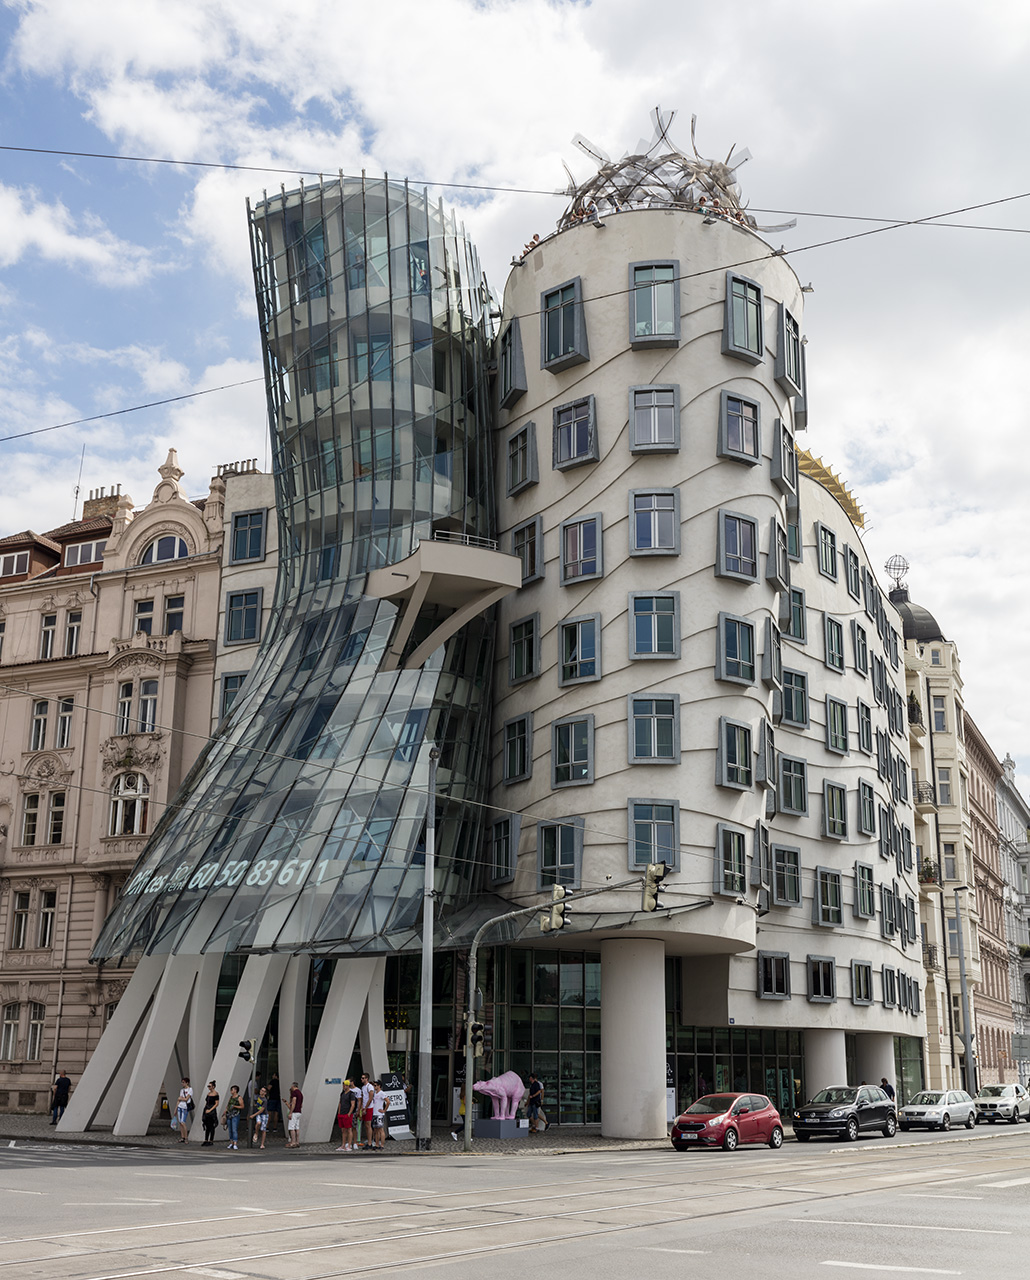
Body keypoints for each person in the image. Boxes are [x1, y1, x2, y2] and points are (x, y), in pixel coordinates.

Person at [336, 1078, 358, 1152]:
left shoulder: (351, 1094)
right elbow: (340, 1103)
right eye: (343, 1085)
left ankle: (349, 1145)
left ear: (348, 1086)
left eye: (345, 1085)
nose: (344, 1087)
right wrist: (339, 1112)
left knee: (349, 1129)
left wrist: (349, 1113)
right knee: (343, 1130)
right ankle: (343, 1145)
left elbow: (353, 1104)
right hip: (342, 1113)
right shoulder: (342, 1093)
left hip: (347, 1114)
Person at [223, 1084, 243, 1150]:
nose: (231, 1091)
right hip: (229, 1114)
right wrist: (225, 1111)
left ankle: (235, 1143)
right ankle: (231, 1142)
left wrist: (235, 1106)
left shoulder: (239, 1098)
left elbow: (242, 1106)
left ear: (235, 1090)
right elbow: (228, 1105)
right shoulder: (231, 1097)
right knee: (230, 1129)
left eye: (232, 1090)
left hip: (235, 1114)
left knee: (234, 1129)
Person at [371, 1079, 389, 1151]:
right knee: (376, 1129)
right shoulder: (375, 1094)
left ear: (379, 1086)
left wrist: (384, 1110)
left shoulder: (382, 1093)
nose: (374, 1087)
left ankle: (382, 1144)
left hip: (379, 1114)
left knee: (381, 1129)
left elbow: (388, 1101)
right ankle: (377, 1144)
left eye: (375, 1085)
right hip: (375, 1113)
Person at [201, 1081, 220, 1146]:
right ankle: (206, 1139)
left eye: (210, 1086)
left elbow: (216, 1103)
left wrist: (210, 1110)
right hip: (207, 1109)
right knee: (207, 1125)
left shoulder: (216, 1094)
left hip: (212, 1110)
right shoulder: (208, 1094)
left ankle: (211, 1140)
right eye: (208, 1086)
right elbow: (207, 1102)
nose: (208, 1087)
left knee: (211, 1126)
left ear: (213, 1087)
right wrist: (205, 1109)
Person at [359, 1072, 374, 1149]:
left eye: (363, 1078)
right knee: (366, 1125)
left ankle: (370, 1142)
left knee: (368, 1125)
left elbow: (370, 1098)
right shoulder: (363, 1087)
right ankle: (368, 1141)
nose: (362, 1079)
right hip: (364, 1107)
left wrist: (366, 1107)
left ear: (367, 1079)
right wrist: (362, 1107)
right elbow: (363, 1098)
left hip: (369, 1108)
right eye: (361, 1078)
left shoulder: (370, 1087)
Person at [286, 1081, 303, 1148]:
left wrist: (290, 1112)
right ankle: (297, 1142)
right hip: (299, 1112)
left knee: (291, 1127)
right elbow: (301, 1104)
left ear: (293, 1086)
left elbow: (293, 1103)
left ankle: (293, 1142)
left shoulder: (295, 1093)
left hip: (294, 1112)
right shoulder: (300, 1094)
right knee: (297, 1127)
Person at [176, 1077, 193, 1144]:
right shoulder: (181, 1090)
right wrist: (176, 1108)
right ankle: (182, 1137)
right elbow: (179, 1099)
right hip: (180, 1106)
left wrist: (181, 1098)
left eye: (183, 1082)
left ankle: (186, 1138)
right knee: (180, 1122)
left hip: (185, 1107)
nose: (182, 1083)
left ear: (187, 1083)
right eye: (182, 1082)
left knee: (183, 1122)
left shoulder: (190, 1089)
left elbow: (186, 1099)